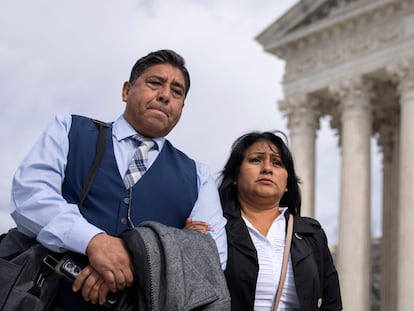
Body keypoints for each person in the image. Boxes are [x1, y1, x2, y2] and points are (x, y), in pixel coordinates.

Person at [9, 49, 227, 310]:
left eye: (177, 92)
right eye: (155, 83)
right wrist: (94, 242)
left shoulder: (198, 176)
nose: (165, 95)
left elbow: (211, 256)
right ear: (126, 90)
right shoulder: (69, 129)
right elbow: (30, 196)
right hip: (44, 298)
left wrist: (134, 261)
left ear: (181, 108)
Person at [218, 131, 342, 311]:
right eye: (256, 160)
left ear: (286, 184)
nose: (267, 168)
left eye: (277, 162)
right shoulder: (215, 227)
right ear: (235, 176)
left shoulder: (311, 234)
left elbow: (332, 303)